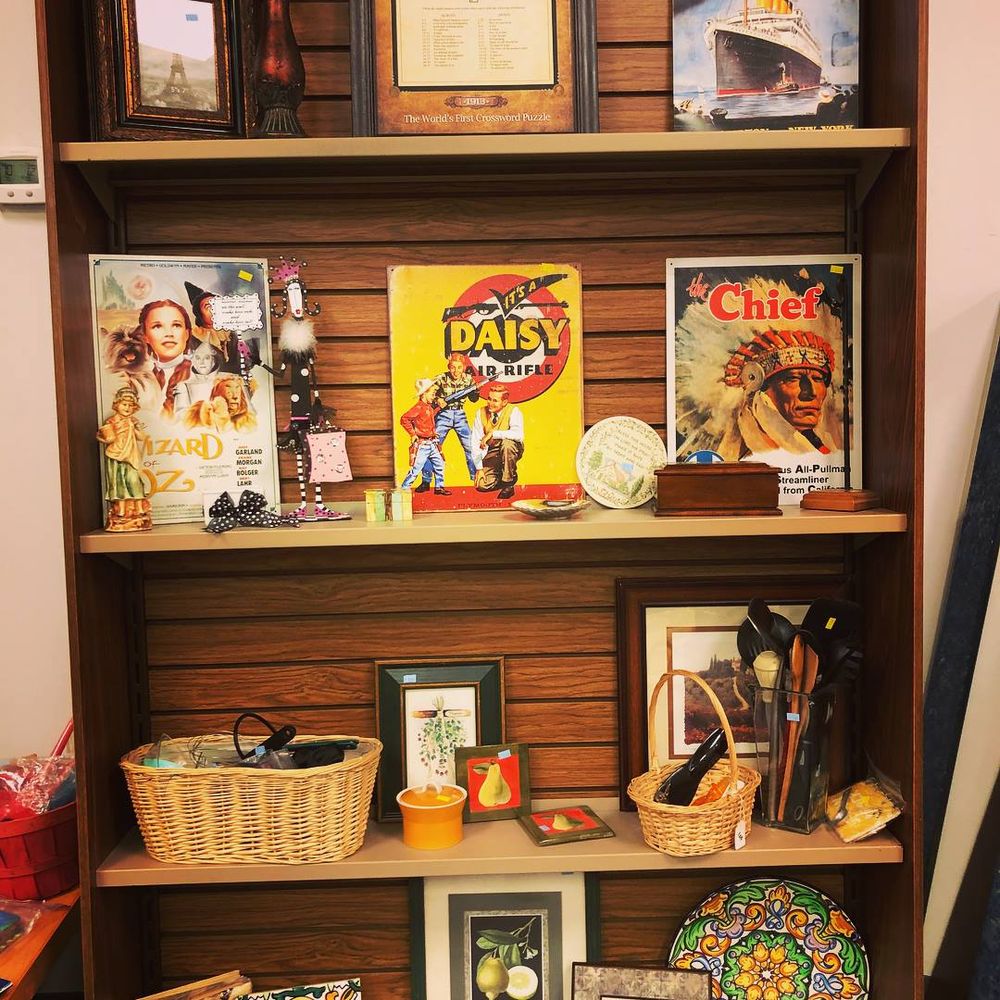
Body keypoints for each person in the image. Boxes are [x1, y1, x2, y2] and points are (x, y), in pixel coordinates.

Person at [722, 329, 838, 456]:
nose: (812, 392)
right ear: (761, 390)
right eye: (793, 378)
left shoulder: (827, 448)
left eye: (818, 379)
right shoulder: (740, 454)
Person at [417, 352, 480, 492]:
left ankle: (476, 479)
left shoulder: (469, 379)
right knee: (431, 446)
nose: (456, 371)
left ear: (464, 367)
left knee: (470, 446)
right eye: (453, 367)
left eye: (459, 367)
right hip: (443, 415)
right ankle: (426, 480)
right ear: (449, 367)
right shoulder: (441, 378)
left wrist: (476, 391)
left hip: (460, 415)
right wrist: (437, 399)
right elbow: (426, 393)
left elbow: (474, 399)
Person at [95, 386, 152, 532]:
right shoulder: (111, 422)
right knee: (118, 483)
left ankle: (139, 509)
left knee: (134, 481)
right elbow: (107, 438)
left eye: (130, 405)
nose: (127, 408)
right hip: (115, 455)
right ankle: (121, 511)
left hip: (131, 456)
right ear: (117, 404)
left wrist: (137, 427)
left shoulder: (133, 421)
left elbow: (142, 437)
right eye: (124, 404)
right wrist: (101, 437)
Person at [138, 299, 194, 418]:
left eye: (176, 325)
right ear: (145, 336)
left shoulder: (201, 376)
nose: (169, 333)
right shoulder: (138, 378)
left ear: (187, 334)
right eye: (157, 326)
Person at [471, 384, 524, 500]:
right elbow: (475, 442)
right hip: (491, 452)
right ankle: (504, 473)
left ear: (504, 402)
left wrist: (493, 433)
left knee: (507, 444)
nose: (490, 403)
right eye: (489, 399)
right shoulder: (480, 412)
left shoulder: (513, 411)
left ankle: (508, 482)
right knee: (481, 486)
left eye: (495, 400)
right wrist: (479, 469)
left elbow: (519, 435)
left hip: (510, 448)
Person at [400, 378, 450, 495]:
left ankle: (439, 487)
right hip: (423, 445)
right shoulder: (418, 407)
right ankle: (404, 489)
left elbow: (428, 418)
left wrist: (439, 408)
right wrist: (413, 434)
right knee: (416, 469)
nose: (434, 396)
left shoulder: (428, 407)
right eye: (432, 394)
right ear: (424, 394)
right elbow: (404, 419)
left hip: (432, 443)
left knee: (440, 464)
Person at [173, 339, 225, 415]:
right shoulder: (184, 386)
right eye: (198, 358)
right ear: (194, 362)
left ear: (213, 361)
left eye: (206, 358)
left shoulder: (227, 380)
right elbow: (180, 415)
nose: (202, 362)